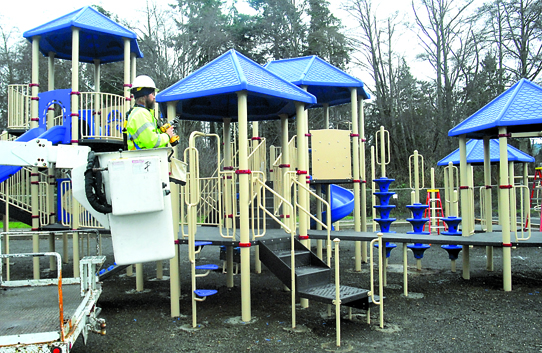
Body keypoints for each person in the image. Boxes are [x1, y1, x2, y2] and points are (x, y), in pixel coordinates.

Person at [124, 75, 175, 150]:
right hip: (144, 159)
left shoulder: (138, 113)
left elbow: (146, 137)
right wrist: (167, 135)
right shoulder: (140, 114)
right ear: (144, 96)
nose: (154, 97)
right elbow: (152, 142)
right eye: (152, 94)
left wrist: (160, 131)